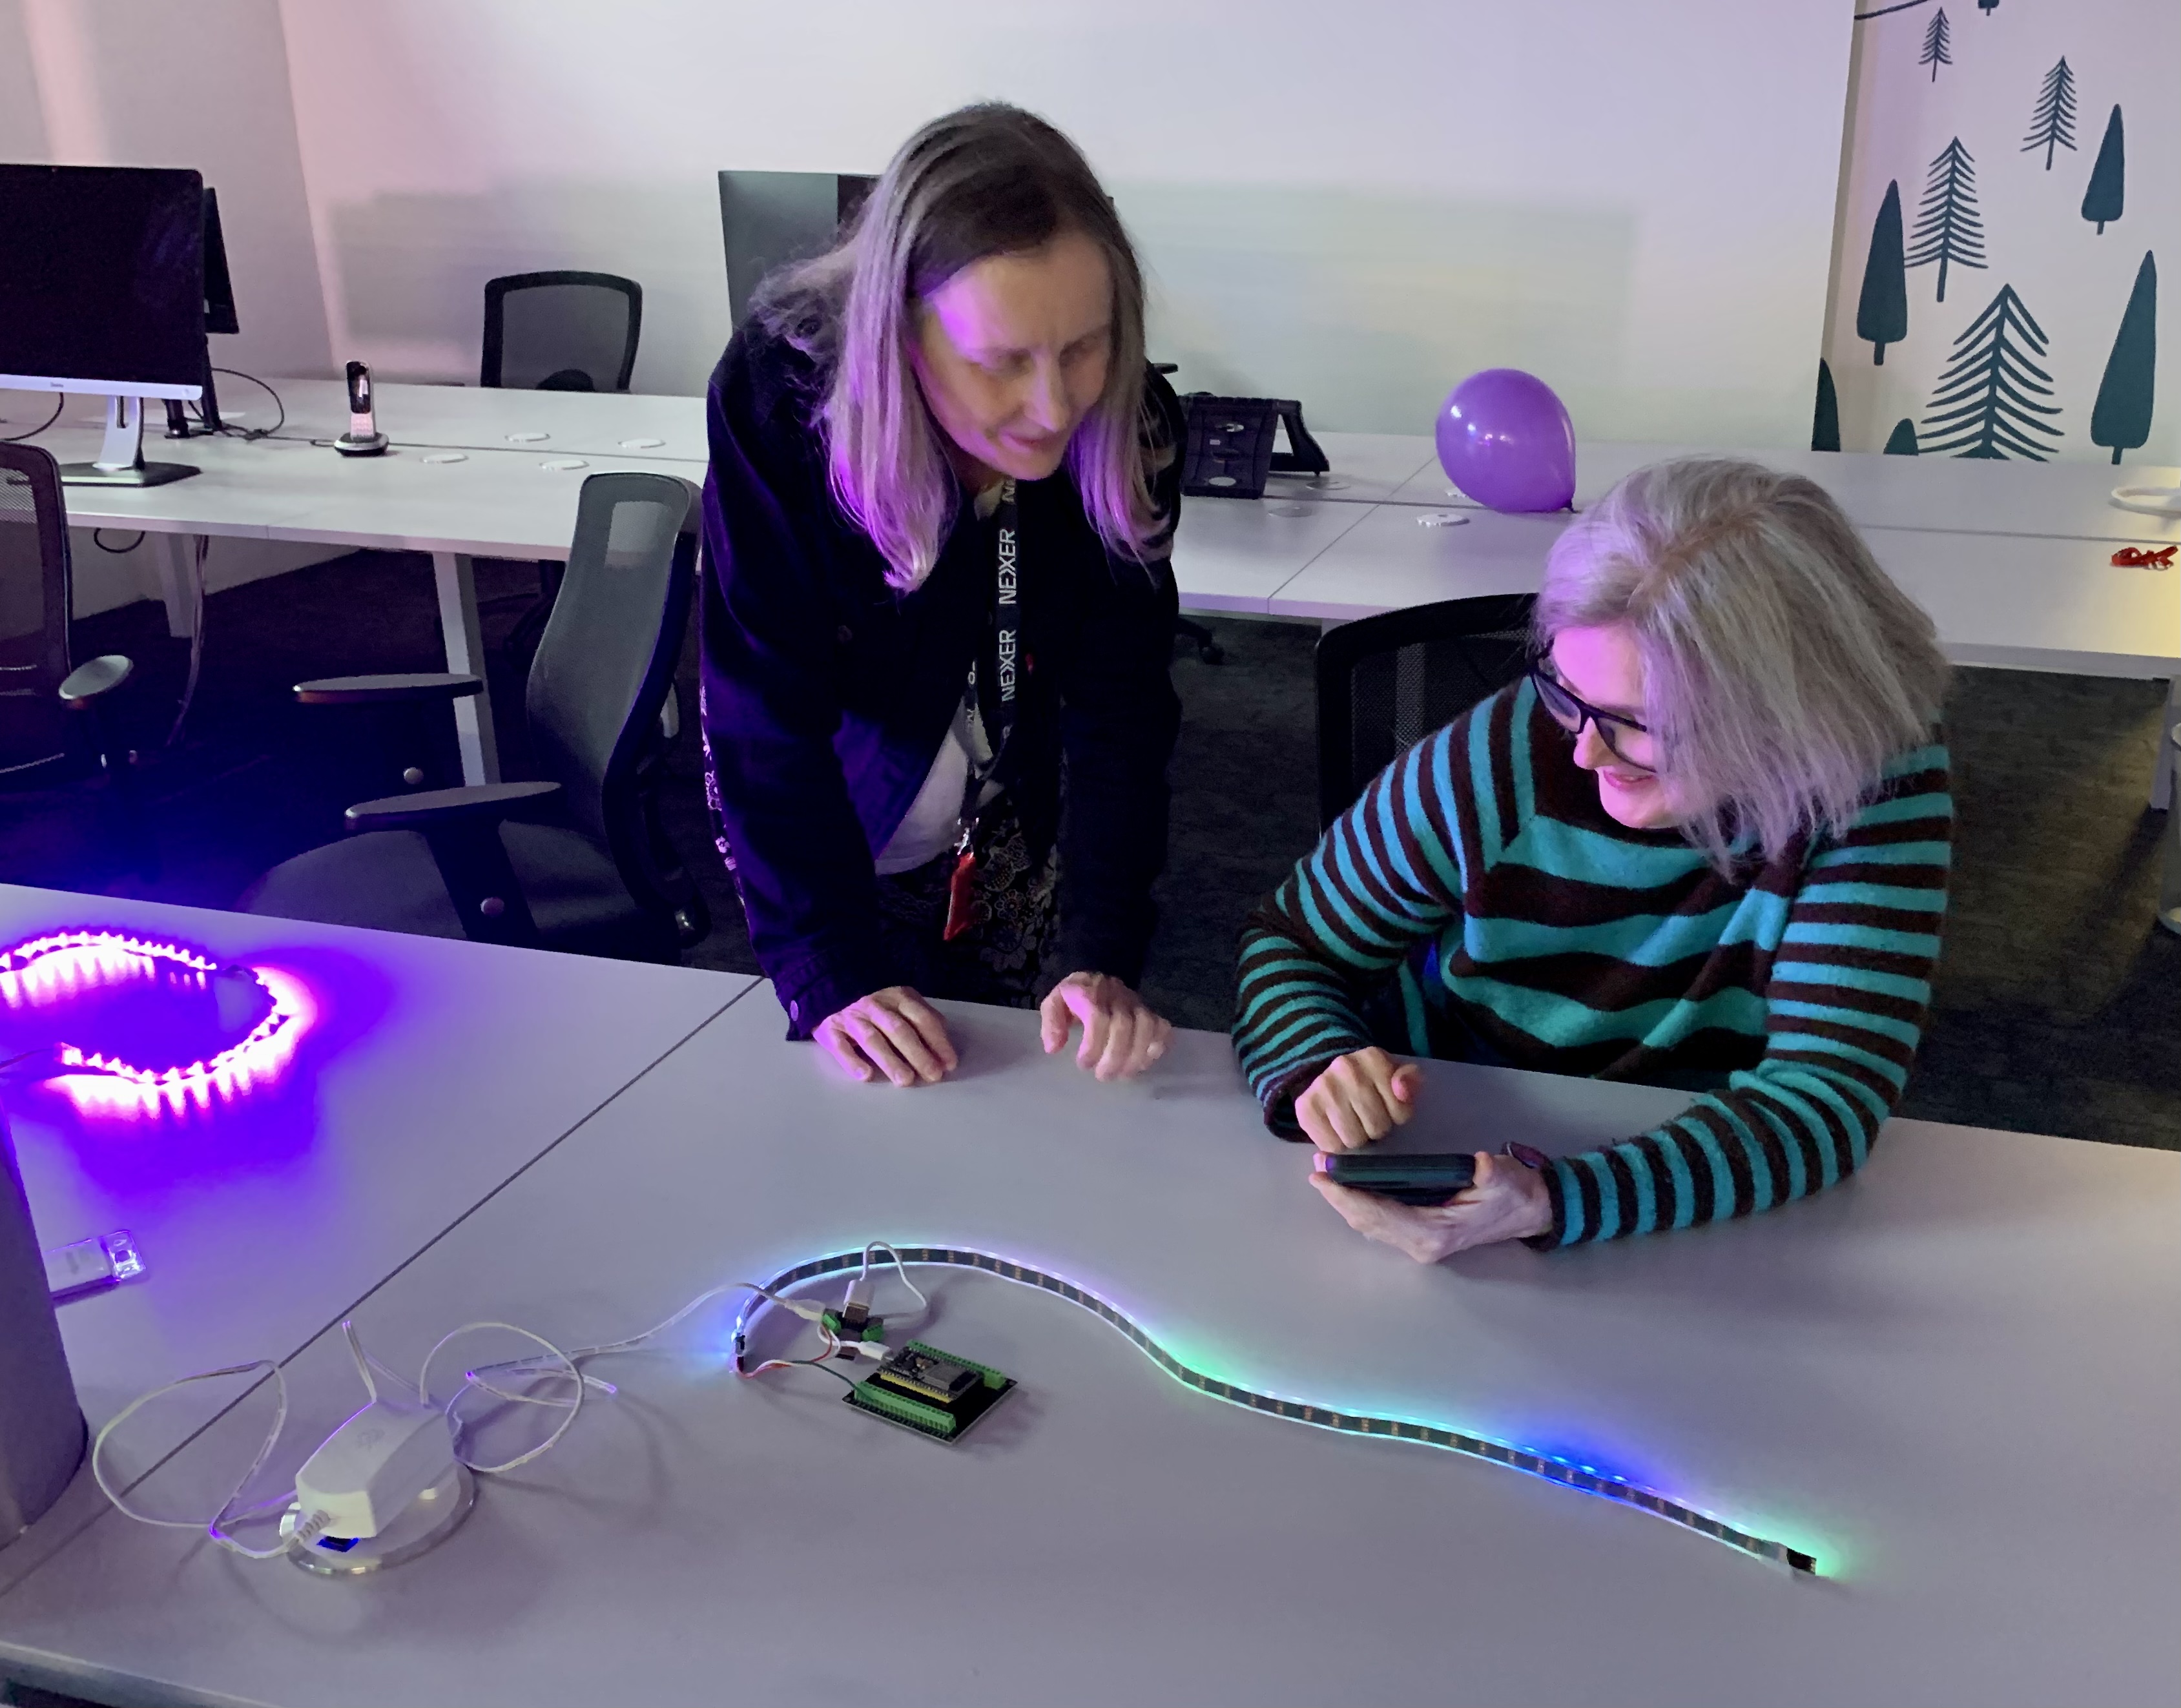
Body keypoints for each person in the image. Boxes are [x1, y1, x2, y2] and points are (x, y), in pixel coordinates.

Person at [1232, 458, 1955, 1259]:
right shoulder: (1505, 752)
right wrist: (1315, 1061)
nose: (1582, 750)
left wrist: (1553, 1199)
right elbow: (1290, 945)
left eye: (1639, 722)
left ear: (1782, 714)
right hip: (1445, 1123)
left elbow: (1826, 1092)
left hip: (1695, 1173)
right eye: (1565, 688)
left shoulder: (1872, 781)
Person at [701, 104, 1184, 1088]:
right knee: (861, 1090)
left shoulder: (1125, 425)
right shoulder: (781, 401)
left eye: (1085, 347)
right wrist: (829, 968)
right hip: (845, 812)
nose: (1055, 408)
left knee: (1010, 1081)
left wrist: (1099, 950)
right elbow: (762, 718)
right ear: (900, 340)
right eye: (1002, 361)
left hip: (1009, 803)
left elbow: (1121, 712)